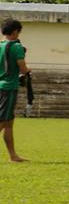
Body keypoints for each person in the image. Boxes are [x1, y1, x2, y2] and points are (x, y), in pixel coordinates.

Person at [1, 19, 30, 162]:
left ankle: (13, 155)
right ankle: (13, 155)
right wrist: (27, 70)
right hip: (9, 88)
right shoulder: (16, 47)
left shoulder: (0, 45)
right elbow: (23, 69)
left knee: (9, 122)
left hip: (1, 85)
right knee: (4, 121)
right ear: (15, 32)